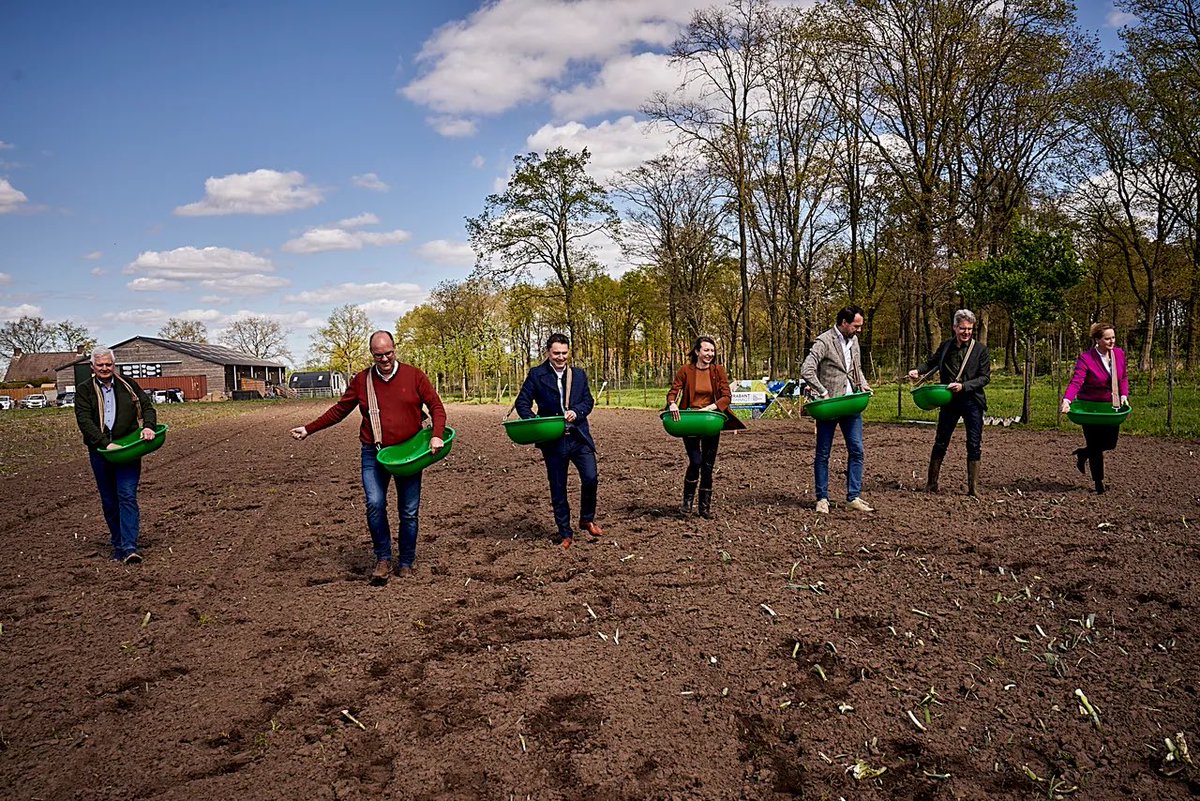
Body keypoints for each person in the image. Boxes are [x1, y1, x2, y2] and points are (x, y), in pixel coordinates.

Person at [290, 331, 446, 584]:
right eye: (378, 355)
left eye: (388, 353)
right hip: (374, 452)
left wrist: (436, 435)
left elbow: (436, 407)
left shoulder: (415, 375)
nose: (384, 359)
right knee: (374, 503)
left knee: (408, 511)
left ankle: (406, 561)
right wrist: (309, 429)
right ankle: (383, 558)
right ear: (371, 354)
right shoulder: (363, 380)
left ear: (395, 349)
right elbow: (340, 410)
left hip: (409, 454)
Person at [515, 333, 602, 549]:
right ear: (548, 352)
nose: (561, 357)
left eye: (564, 353)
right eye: (556, 353)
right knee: (558, 486)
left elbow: (588, 401)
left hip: (579, 437)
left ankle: (586, 519)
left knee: (591, 477)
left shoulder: (579, 375)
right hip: (553, 441)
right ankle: (565, 533)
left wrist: (577, 412)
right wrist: (536, 422)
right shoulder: (536, 375)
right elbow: (522, 403)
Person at [74, 347, 158, 564]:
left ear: (114, 365)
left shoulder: (128, 385)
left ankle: (130, 547)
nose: (105, 368)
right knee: (110, 500)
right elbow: (84, 421)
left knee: (127, 494)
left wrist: (148, 427)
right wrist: (104, 443)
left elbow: (147, 407)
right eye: (100, 365)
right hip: (101, 451)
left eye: (108, 364)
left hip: (128, 449)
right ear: (93, 366)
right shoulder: (85, 390)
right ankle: (118, 543)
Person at [907, 309, 991, 496]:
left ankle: (973, 489)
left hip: (972, 401)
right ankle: (931, 484)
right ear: (954, 327)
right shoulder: (945, 346)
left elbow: (984, 378)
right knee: (941, 441)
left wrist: (964, 386)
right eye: (962, 328)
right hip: (949, 401)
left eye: (969, 329)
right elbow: (932, 362)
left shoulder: (981, 351)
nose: (966, 332)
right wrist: (918, 371)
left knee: (974, 443)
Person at [800, 305, 874, 513]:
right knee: (823, 452)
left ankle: (853, 497)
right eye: (855, 326)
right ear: (843, 323)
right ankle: (822, 498)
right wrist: (822, 391)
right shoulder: (824, 341)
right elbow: (806, 369)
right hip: (830, 406)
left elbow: (856, 369)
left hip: (851, 404)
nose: (858, 330)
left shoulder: (855, 341)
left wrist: (864, 384)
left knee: (857, 450)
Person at [666, 335, 745, 519]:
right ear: (697, 351)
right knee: (695, 461)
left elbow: (726, 396)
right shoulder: (686, 370)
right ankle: (687, 503)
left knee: (708, 465)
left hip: (710, 420)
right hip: (691, 421)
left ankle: (704, 507)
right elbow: (674, 390)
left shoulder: (718, 371)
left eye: (712, 350)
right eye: (706, 350)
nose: (710, 354)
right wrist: (672, 403)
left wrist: (711, 407)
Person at [1060, 323, 1129, 494]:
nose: (1111, 341)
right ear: (1097, 340)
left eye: (1113, 337)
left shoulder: (1119, 354)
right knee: (1096, 446)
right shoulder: (1086, 358)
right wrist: (1067, 400)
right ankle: (1099, 484)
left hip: (1111, 406)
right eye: (1107, 338)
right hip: (1090, 408)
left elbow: (1123, 377)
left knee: (1110, 444)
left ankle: (1083, 454)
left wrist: (1123, 395)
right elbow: (1077, 380)